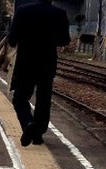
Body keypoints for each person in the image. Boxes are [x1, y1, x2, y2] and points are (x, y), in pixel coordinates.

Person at [7, 0, 70, 146]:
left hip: (25, 63)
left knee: (20, 98)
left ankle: (28, 123)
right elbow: (64, 40)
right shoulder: (59, 13)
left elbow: (12, 39)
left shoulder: (22, 11)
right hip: (47, 63)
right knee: (44, 99)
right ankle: (38, 133)